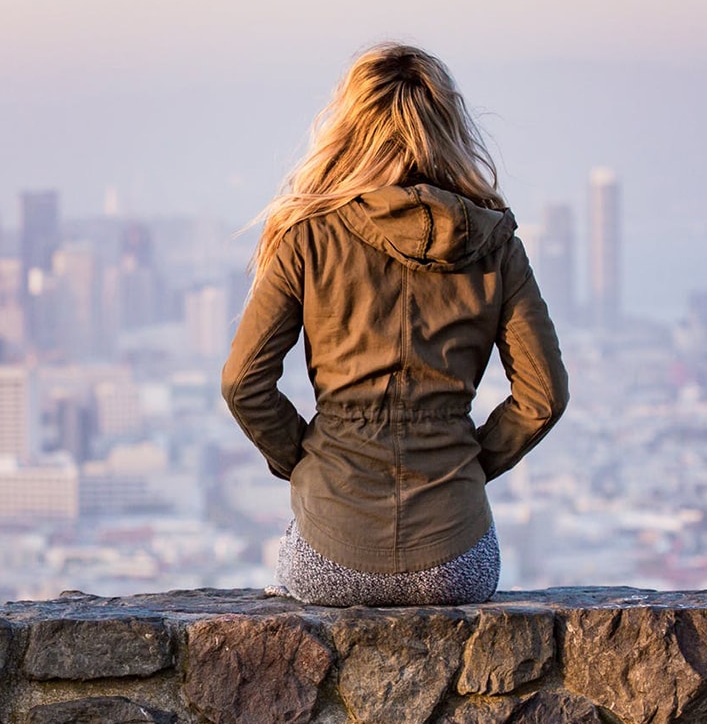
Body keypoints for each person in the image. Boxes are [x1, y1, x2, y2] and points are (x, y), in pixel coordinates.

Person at [221, 43, 568, 606]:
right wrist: (469, 463)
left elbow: (242, 383)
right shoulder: (496, 243)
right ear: (449, 127)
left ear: (349, 128)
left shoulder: (306, 237)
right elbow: (544, 397)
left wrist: (308, 460)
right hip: (457, 560)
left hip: (329, 553)